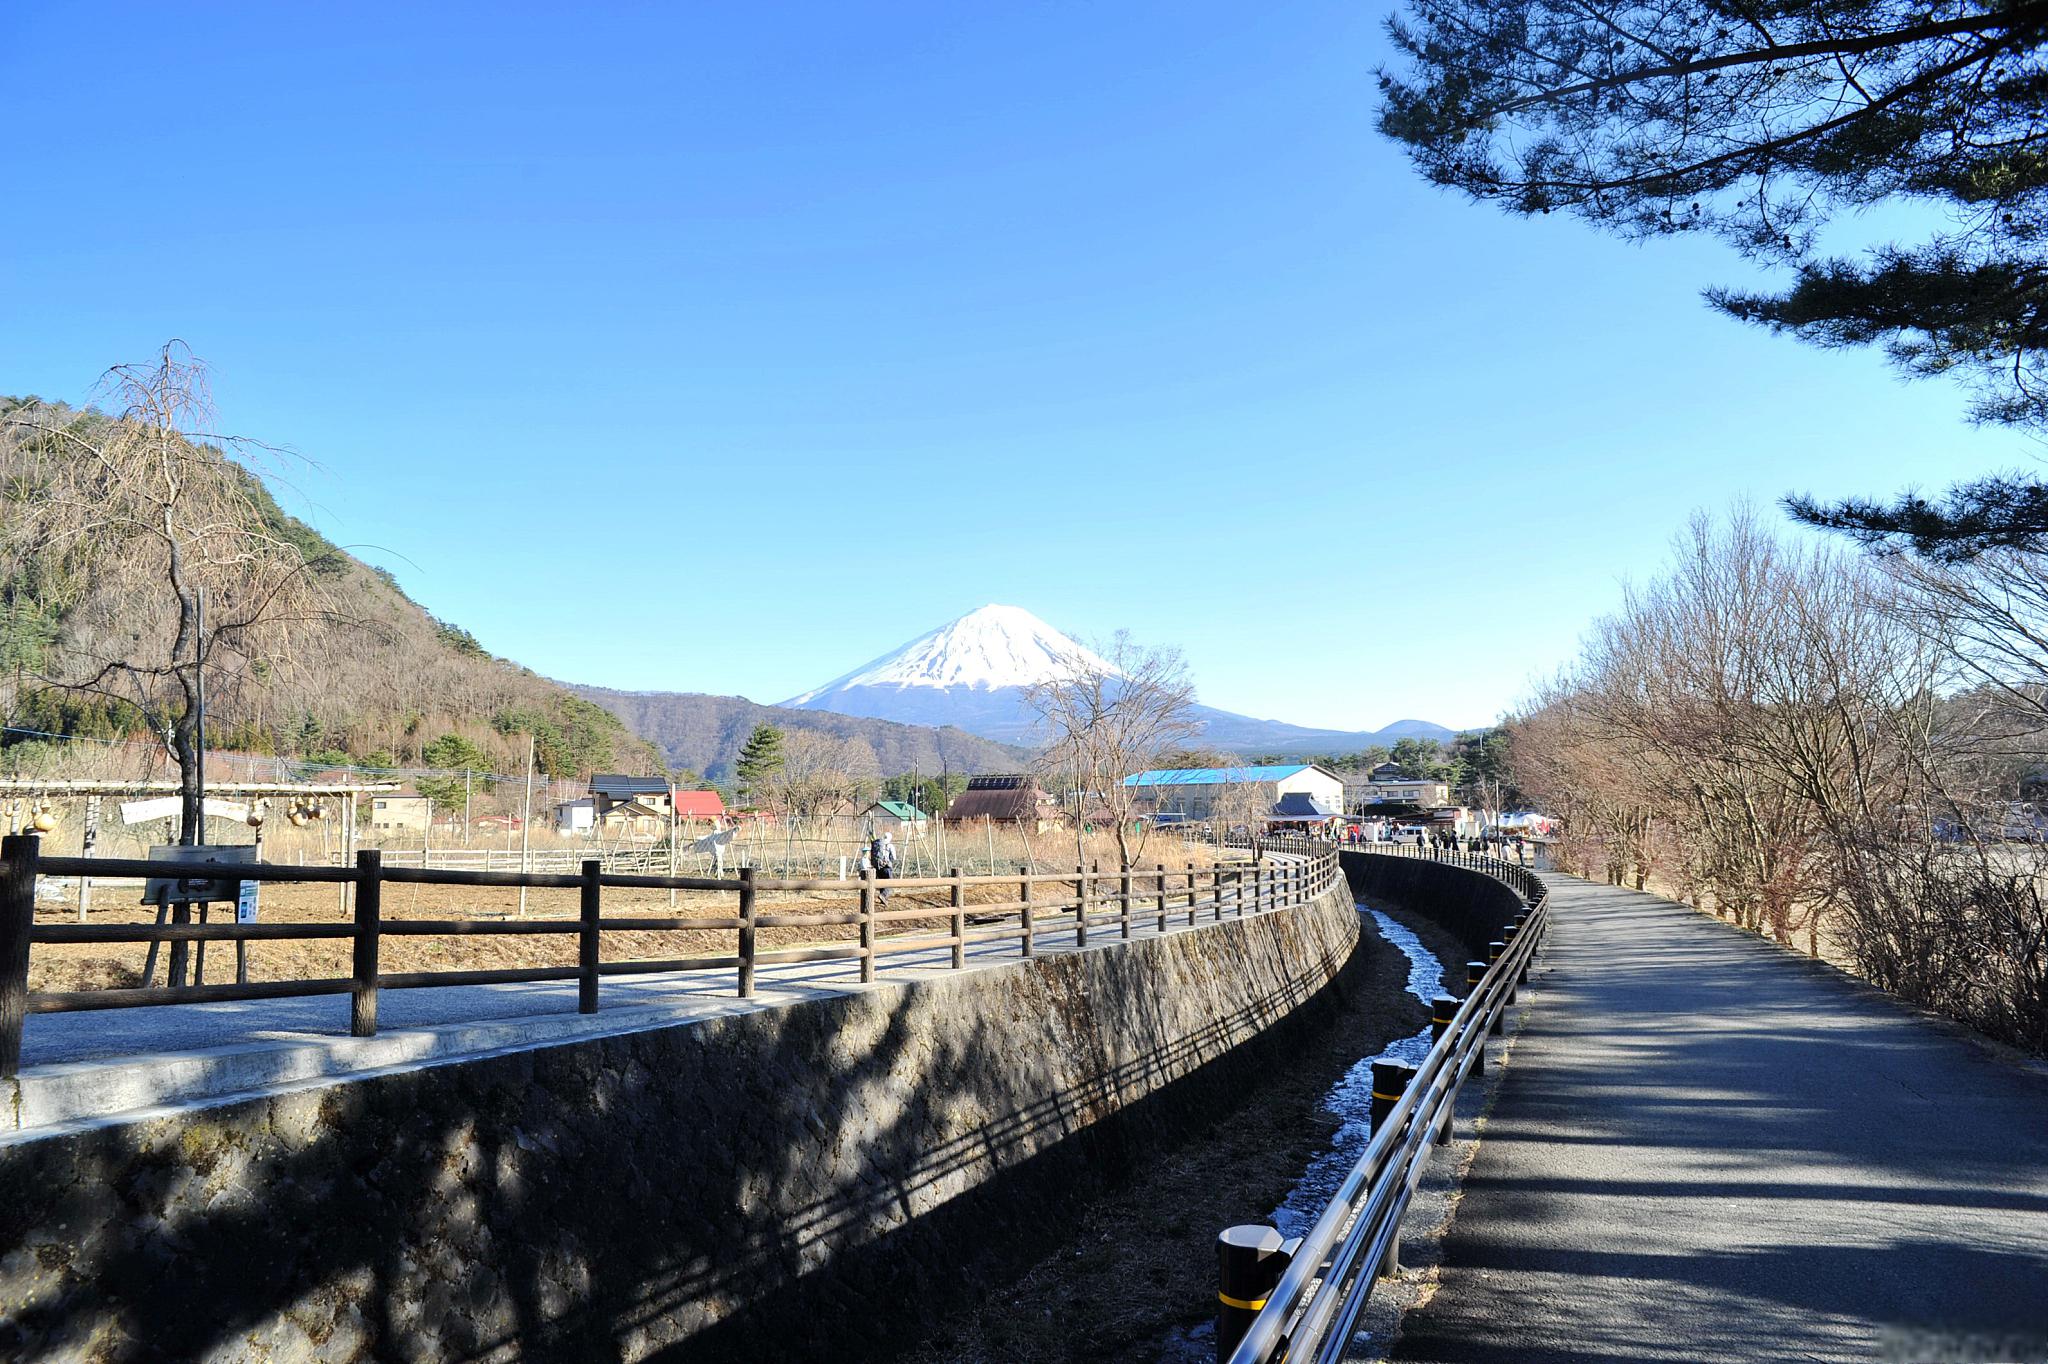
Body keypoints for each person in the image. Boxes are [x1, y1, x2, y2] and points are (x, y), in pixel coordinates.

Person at [871, 832, 897, 902]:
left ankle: (882, 898)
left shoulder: (879, 844)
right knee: (889, 882)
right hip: (886, 866)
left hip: (878, 867)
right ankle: (883, 896)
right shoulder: (890, 845)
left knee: (882, 882)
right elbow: (894, 857)